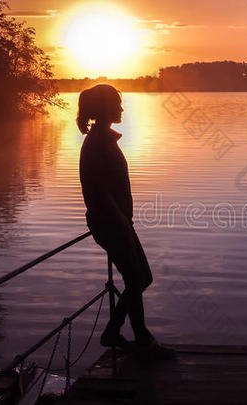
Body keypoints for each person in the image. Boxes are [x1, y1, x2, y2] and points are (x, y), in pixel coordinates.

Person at [77, 84, 174, 360]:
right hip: (111, 223)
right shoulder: (96, 144)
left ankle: (125, 334)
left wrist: (124, 221)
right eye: (117, 103)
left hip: (118, 222)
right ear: (104, 108)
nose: (121, 108)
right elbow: (100, 191)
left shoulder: (103, 140)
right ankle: (133, 337)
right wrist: (121, 223)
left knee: (140, 278)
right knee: (136, 279)